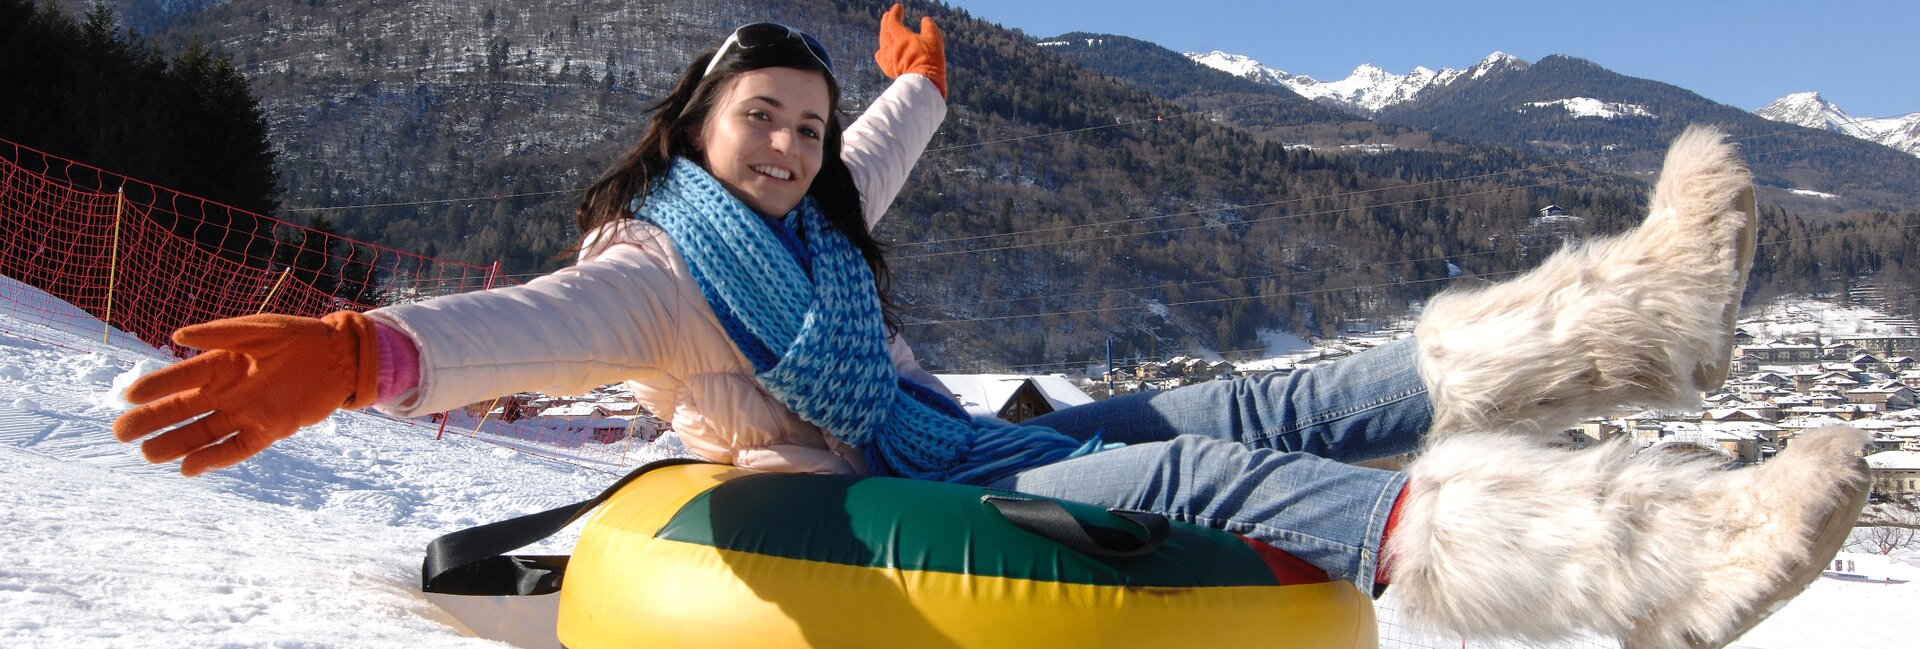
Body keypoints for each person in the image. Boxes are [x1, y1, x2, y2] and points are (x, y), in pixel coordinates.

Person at [112, 7, 1868, 648]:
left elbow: (870, 152)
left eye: (806, 126)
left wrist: (918, 88)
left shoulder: (808, 222)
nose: (792, 146)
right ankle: (1650, 566)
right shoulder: (660, 269)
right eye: (762, 122)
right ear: (693, 131)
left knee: (1267, 399)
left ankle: (1641, 317)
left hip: (957, 434)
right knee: (1210, 474)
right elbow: (532, 326)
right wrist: (363, 353)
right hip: (893, 491)